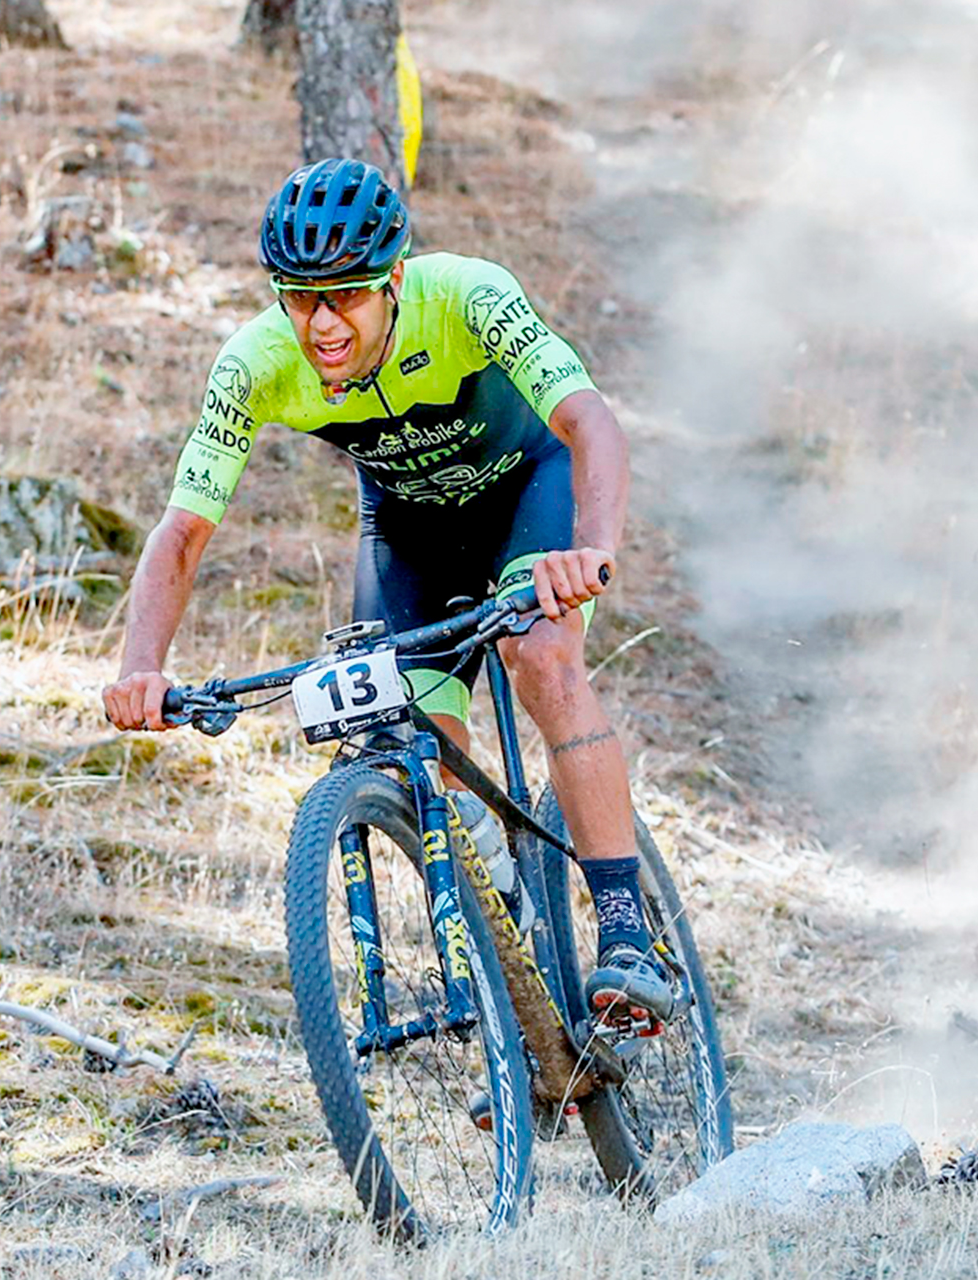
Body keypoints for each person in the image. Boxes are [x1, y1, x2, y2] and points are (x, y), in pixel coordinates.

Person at [101, 157, 673, 1030]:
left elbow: (588, 421)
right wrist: (142, 667)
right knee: (416, 738)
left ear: (395, 278)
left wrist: (589, 551)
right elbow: (183, 530)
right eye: (299, 298)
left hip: (530, 490)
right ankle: (512, 983)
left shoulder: (468, 297)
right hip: (411, 529)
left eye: (348, 296)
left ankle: (629, 934)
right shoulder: (255, 363)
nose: (322, 324)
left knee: (541, 656)